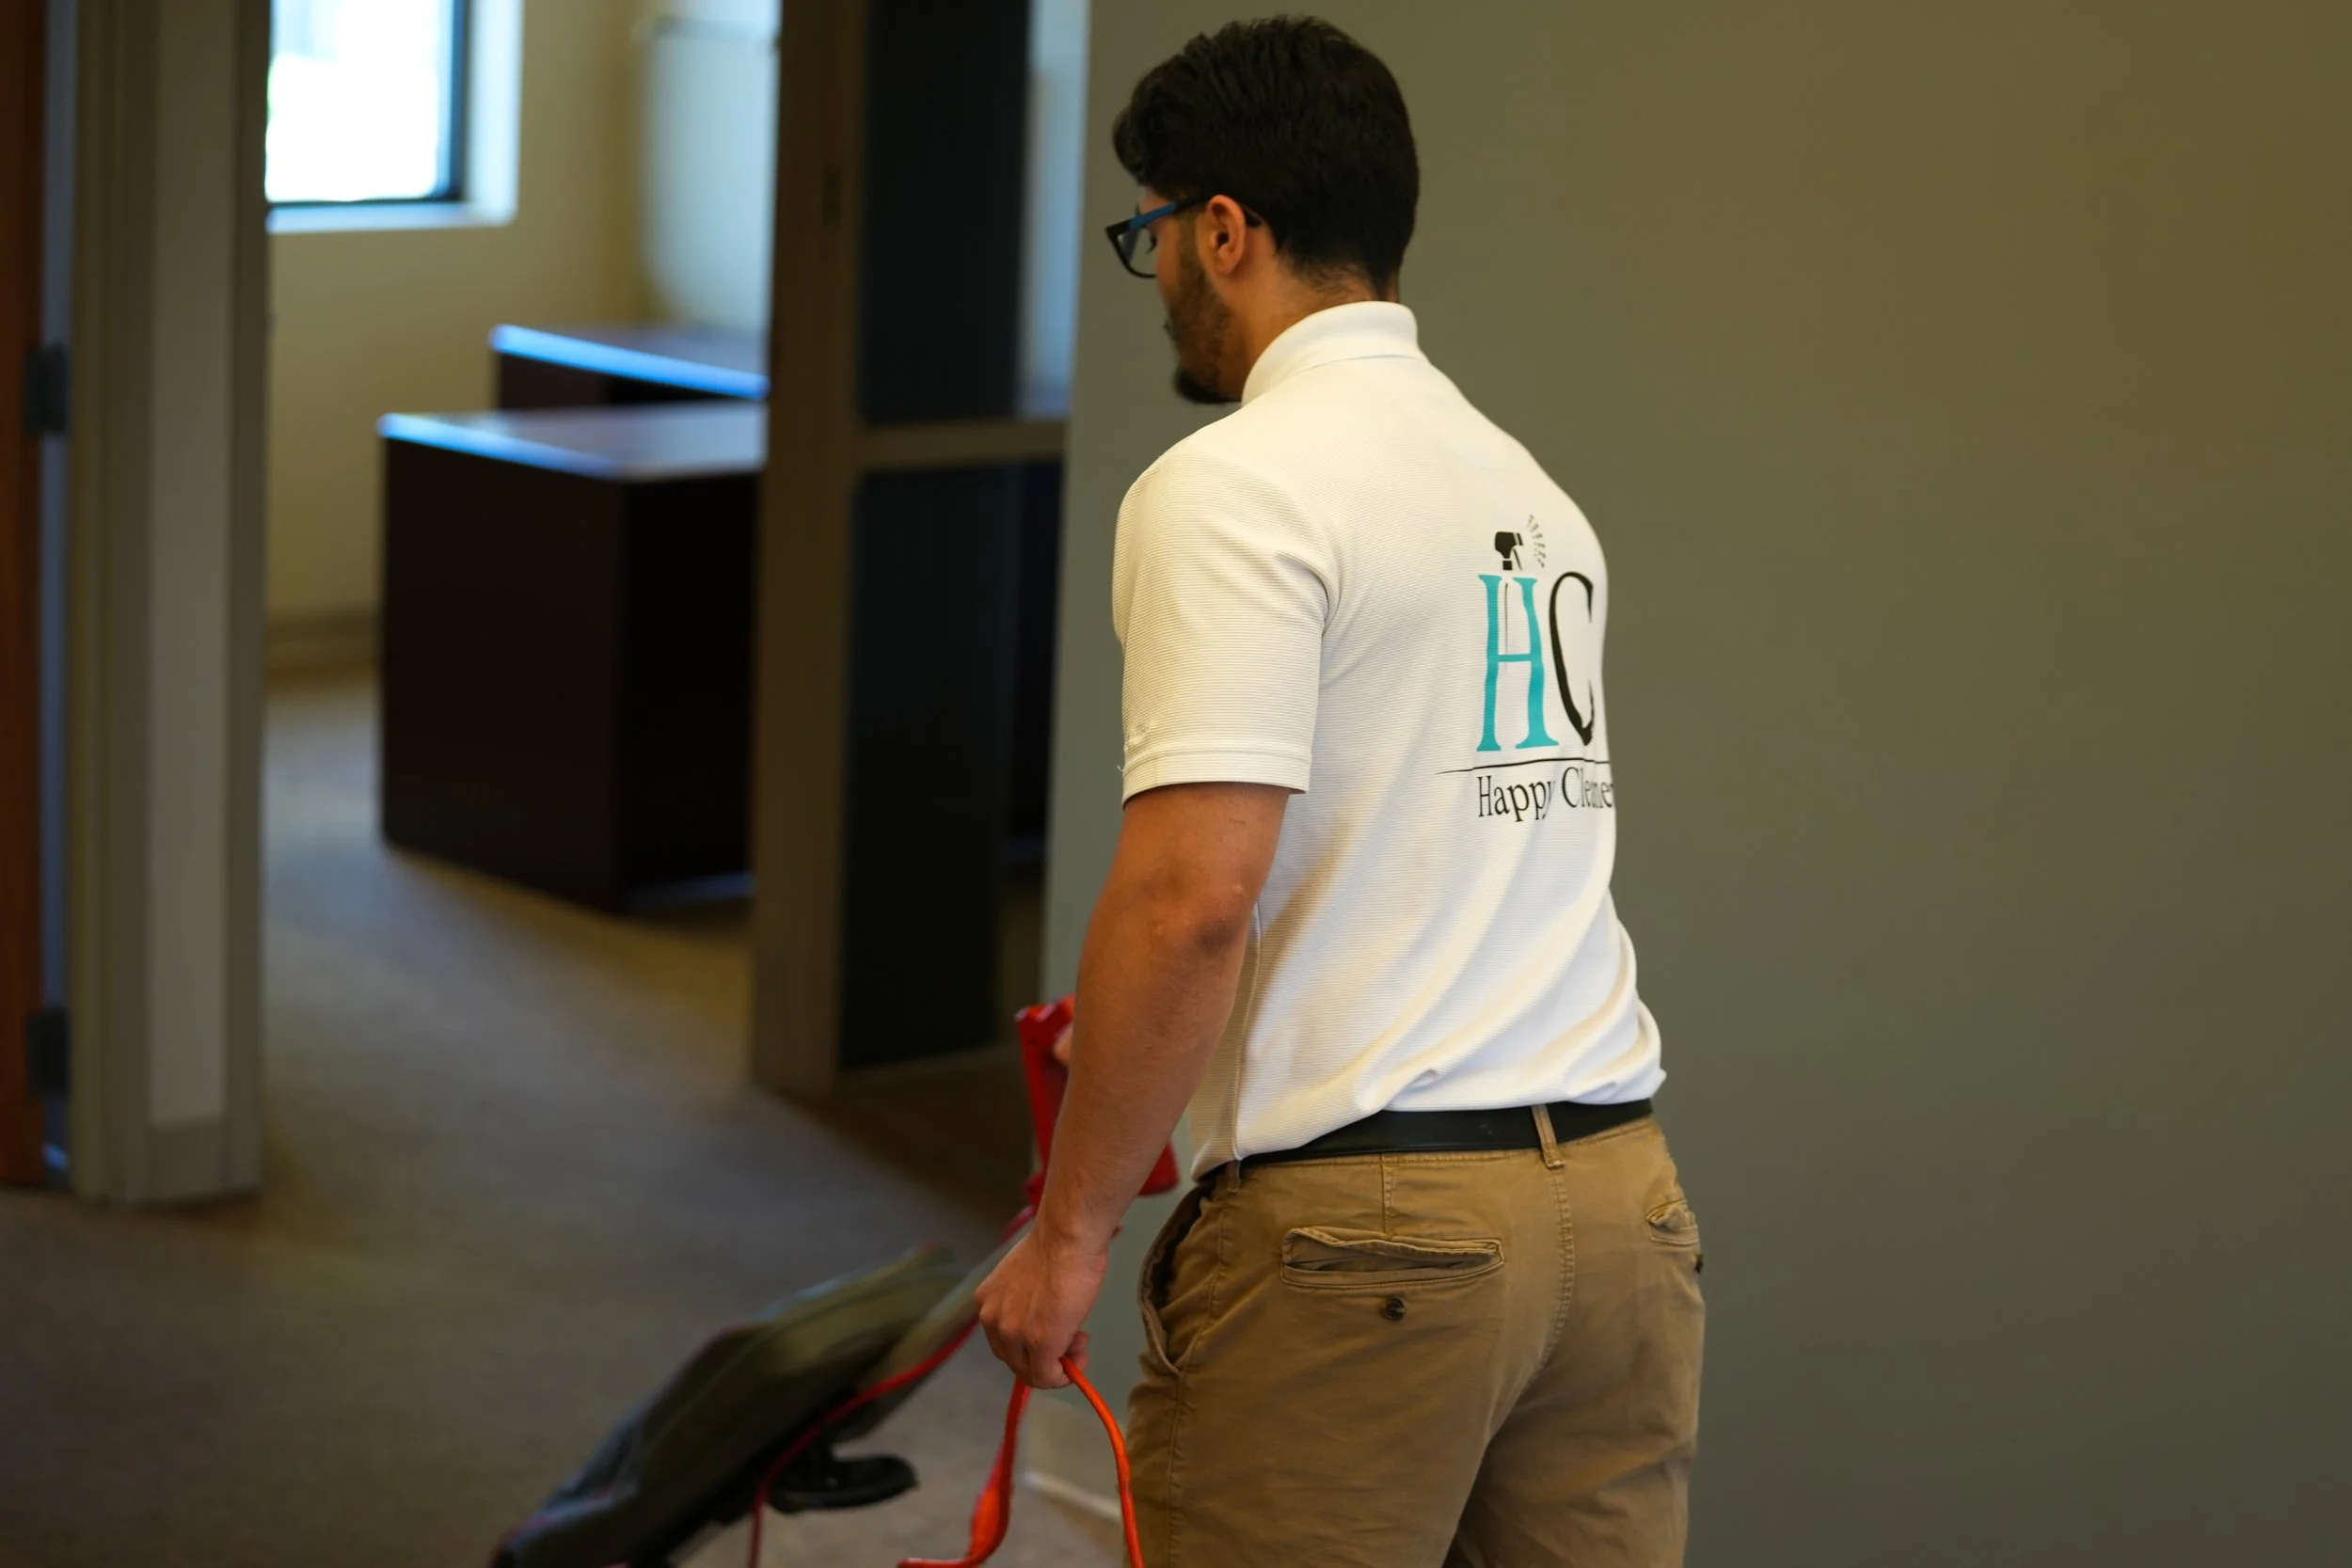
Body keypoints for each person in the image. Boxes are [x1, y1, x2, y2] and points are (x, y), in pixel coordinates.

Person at [975, 17, 1704, 1565]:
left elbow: (1192, 899)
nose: (1155, 270)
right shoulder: (1528, 490)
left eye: (1151, 234)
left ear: (1223, 232)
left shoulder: (1236, 487)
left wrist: (1070, 1236)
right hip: (1621, 1220)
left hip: (1373, 1239)